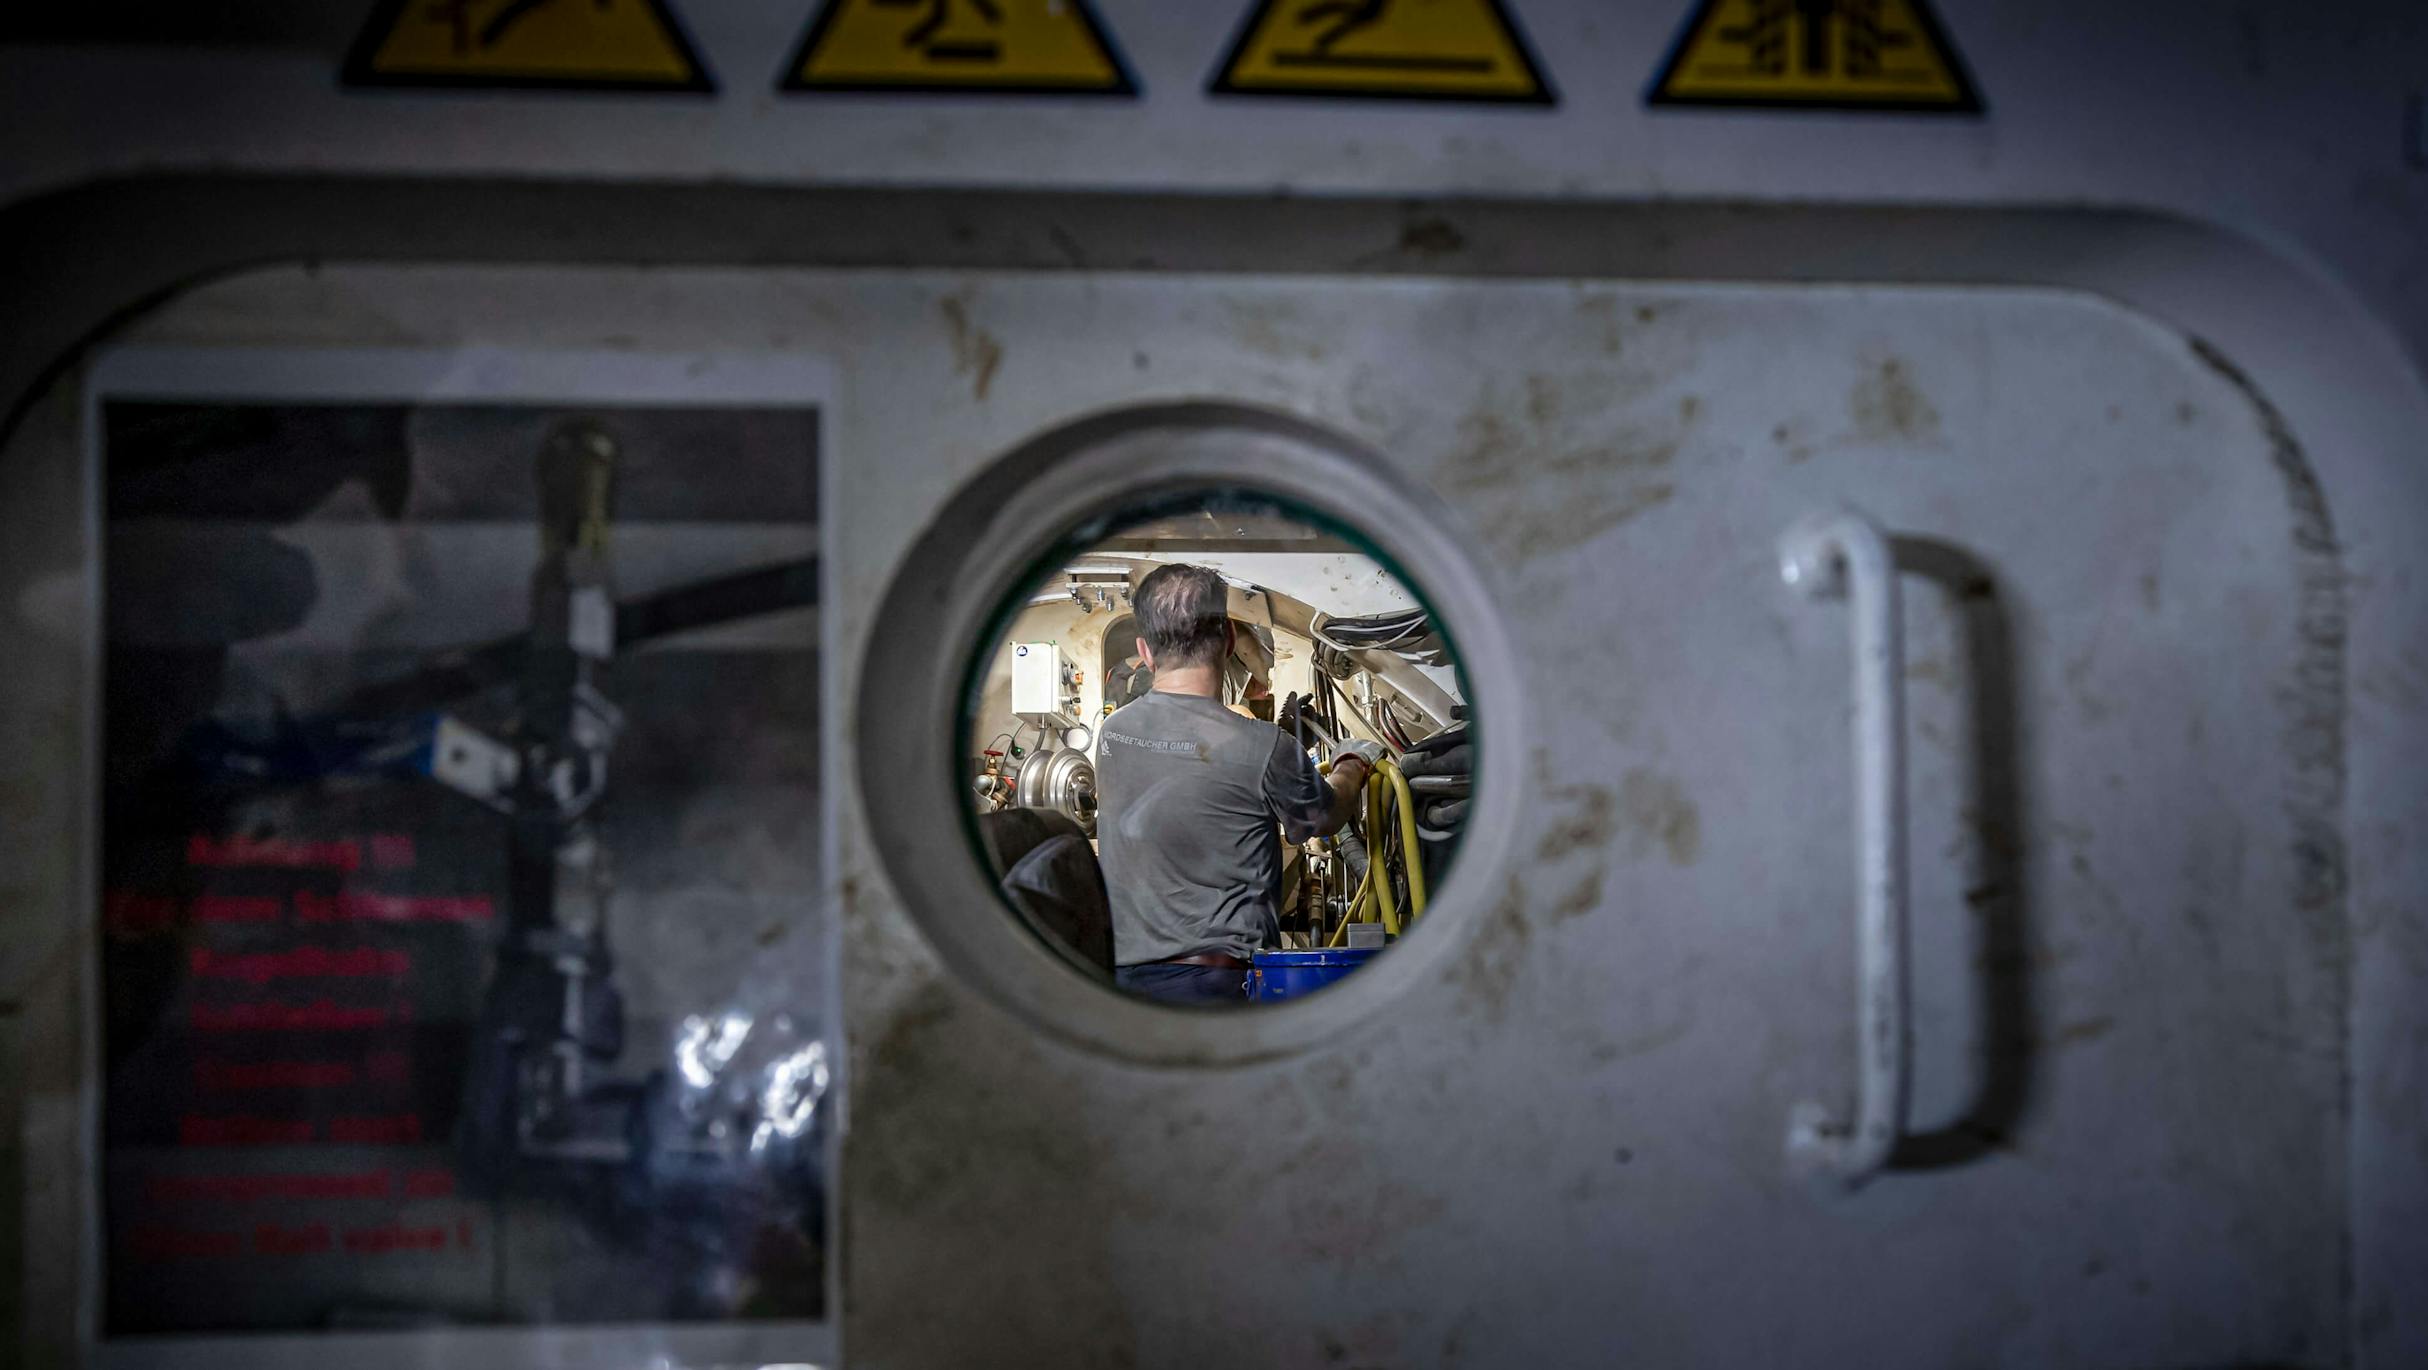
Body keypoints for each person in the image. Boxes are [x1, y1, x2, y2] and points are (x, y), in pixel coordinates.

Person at [1095, 564, 1378, 1005]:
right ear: (1228, 638)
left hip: (1126, 992)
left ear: (1145, 652)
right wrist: (1352, 765)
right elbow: (1325, 818)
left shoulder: (1112, 735)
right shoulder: (1265, 746)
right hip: (1220, 990)